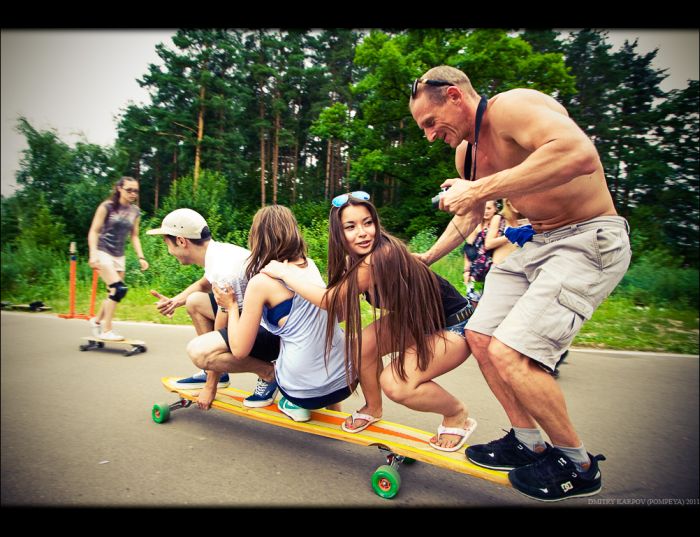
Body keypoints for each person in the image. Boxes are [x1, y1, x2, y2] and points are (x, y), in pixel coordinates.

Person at [410, 65, 631, 501]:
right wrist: (427, 258)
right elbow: (471, 215)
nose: (430, 136)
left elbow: (579, 154)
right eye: (423, 130)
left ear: (455, 96)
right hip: (540, 243)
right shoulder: (467, 156)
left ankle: (578, 464)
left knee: (512, 352)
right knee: (479, 334)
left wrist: (480, 188)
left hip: (589, 236)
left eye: (431, 124)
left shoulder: (514, 107)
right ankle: (528, 441)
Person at [262, 193, 477, 452]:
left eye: (368, 223)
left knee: (396, 383)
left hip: (454, 323)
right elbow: (339, 308)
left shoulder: (380, 256)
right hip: (417, 320)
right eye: (351, 227)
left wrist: (284, 272)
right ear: (338, 233)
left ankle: (456, 413)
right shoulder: (349, 262)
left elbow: (329, 300)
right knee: (359, 344)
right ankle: (373, 408)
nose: (363, 233)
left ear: (376, 223)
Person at [201, 205, 353, 422]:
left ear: (257, 238)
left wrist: (231, 306)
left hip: (304, 391)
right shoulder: (309, 266)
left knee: (219, 352)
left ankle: (292, 402)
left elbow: (239, 350)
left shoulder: (261, 283)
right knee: (314, 338)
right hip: (345, 380)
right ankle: (333, 411)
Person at [146, 208, 280, 406]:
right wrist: (176, 301)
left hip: (271, 335)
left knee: (201, 354)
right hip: (255, 319)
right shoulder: (220, 252)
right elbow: (203, 285)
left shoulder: (225, 273)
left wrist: (211, 385)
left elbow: (222, 323)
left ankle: (268, 373)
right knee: (194, 301)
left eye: (167, 244)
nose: (168, 251)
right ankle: (217, 370)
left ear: (182, 241)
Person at [87, 176, 148, 341]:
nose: (133, 193)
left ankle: (97, 320)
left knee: (114, 293)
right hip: (102, 251)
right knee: (118, 289)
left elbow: (134, 236)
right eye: (129, 190)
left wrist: (141, 257)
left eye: (135, 191)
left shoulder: (135, 211)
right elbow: (94, 231)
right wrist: (93, 253)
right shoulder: (107, 207)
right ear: (119, 188)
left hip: (119, 255)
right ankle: (107, 330)